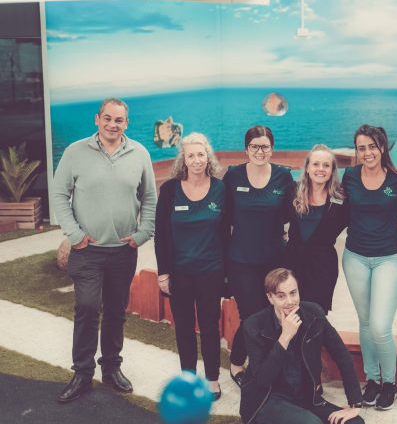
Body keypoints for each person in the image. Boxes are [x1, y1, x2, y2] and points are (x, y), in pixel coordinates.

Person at [51, 97, 157, 403]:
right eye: (107, 118)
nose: (113, 124)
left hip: (123, 252)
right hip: (86, 251)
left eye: (119, 120)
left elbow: (149, 197)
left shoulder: (139, 153)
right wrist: (74, 235)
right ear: (97, 119)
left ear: (127, 123)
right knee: (86, 307)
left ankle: (111, 368)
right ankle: (82, 373)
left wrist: (142, 233)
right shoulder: (75, 152)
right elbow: (59, 194)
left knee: (115, 311)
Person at [240, 268, 366, 424]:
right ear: (270, 298)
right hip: (267, 400)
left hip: (304, 397)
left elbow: (342, 355)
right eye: (281, 296)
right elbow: (262, 381)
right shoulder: (254, 325)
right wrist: (285, 337)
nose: (290, 301)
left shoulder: (314, 314)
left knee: (355, 423)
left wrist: (355, 404)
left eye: (293, 293)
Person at [154, 132, 227, 400]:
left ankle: (212, 379)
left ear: (208, 157)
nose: (197, 160)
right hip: (180, 273)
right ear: (183, 160)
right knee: (183, 326)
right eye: (191, 155)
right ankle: (188, 376)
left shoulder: (221, 189)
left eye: (201, 154)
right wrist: (163, 272)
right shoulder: (170, 190)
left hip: (211, 271)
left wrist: (227, 273)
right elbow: (161, 234)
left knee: (210, 326)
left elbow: (227, 233)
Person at [341, 124, 397, 410]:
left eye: (372, 146)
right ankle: (372, 379)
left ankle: (389, 383)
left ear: (382, 147)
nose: (367, 152)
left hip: (389, 258)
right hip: (354, 256)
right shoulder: (349, 177)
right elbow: (339, 212)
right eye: (361, 147)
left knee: (381, 326)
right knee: (366, 322)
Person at [223, 126, 294, 388]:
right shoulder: (233, 176)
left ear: (272, 149)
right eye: (254, 146)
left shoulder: (284, 177)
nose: (260, 151)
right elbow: (223, 219)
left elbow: (292, 215)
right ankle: (238, 363)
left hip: (274, 261)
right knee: (252, 316)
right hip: (241, 261)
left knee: (273, 314)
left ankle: (265, 365)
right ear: (246, 149)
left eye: (265, 146)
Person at [284, 145, 349, 313]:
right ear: (307, 167)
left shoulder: (341, 198)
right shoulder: (292, 192)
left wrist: (393, 224)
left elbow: (361, 219)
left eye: (326, 165)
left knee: (315, 318)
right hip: (292, 264)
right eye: (316, 164)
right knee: (291, 316)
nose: (321, 169)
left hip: (323, 267)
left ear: (332, 170)